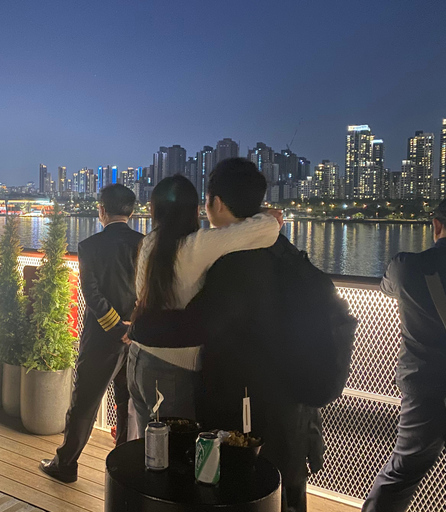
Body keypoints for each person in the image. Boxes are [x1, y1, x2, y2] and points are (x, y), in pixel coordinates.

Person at [129, 159, 333, 512]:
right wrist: (270, 218)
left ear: (216, 203)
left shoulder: (150, 244)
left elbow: (199, 321)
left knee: (153, 452)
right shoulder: (217, 248)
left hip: (147, 364)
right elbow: (261, 234)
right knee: (181, 464)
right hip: (272, 393)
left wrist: (139, 329)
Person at [127, 173, 280, 434]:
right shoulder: (196, 246)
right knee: (172, 455)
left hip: (138, 359)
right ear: (195, 210)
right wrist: (265, 213)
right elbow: (267, 230)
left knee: (147, 446)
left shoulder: (148, 243)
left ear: (154, 209)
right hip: (172, 369)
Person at [363, 195, 446, 512]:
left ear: (436, 226)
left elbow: (387, 287)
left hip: (425, 390)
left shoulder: (408, 267)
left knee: (403, 473)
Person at [39, 184, 144, 483]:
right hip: (137, 337)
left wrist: (115, 328)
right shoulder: (144, 243)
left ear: (101, 210)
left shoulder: (89, 246)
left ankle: (66, 465)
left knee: (84, 402)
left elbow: (92, 294)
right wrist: (132, 327)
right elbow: (150, 289)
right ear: (132, 212)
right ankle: (123, 468)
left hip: (102, 337)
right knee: (127, 403)